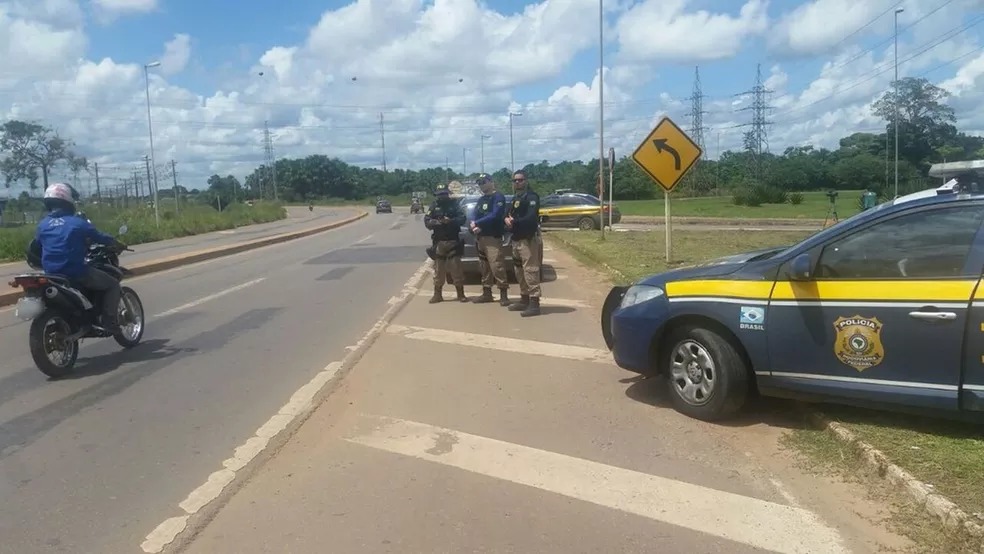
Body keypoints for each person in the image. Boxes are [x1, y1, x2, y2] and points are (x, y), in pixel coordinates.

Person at [36, 183, 124, 333]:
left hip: (51, 274)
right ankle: (110, 323)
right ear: (68, 202)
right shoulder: (77, 223)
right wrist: (117, 243)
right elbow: (100, 237)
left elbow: (37, 245)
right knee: (113, 285)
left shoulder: (42, 225)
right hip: (75, 272)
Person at [504, 170, 542, 317]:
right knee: (519, 271)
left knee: (530, 270)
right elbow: (507, 214)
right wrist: (506, 220)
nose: (517, 182)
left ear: (526, 181)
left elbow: (531, 217)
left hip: (527, 239)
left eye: (520, 180)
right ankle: (524, 299)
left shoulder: (532, 197)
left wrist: (515, 221)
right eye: (515, 180)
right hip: (516, 239)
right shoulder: (515, 198)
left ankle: (534, 303)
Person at [469, 173, 510, 306]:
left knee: (496, 265)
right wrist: (473, 223)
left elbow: (495, 215)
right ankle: (487, 293)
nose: (482, 185)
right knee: (484, 267)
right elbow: (474, 214)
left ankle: (503, 294)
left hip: (493, 237)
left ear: (491, 182)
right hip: (480, 237)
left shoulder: (498, 197)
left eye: (484, 182)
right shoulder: (481, 200)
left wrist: (478, 223)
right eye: (480, 183)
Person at [424, 183, 467, 303]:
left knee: (456, 269)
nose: (442, 196)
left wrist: (450, 221)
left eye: (444, 194)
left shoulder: (455, 205)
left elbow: (462, 219)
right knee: (438, 271)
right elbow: (427, 221)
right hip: (439, 242)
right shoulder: (434, 206)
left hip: (453, 241)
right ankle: (437, 294)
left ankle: (460, 294)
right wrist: (437, 222)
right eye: (439, 194)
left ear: (447, 193)